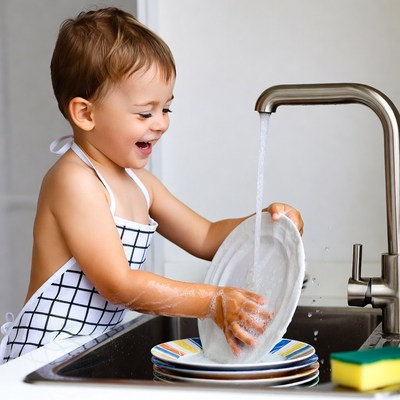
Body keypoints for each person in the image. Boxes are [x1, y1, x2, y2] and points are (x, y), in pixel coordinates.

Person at [0, 7, 303, 365]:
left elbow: (205, 237)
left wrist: (267, 227)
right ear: (85, 114)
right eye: (145, 112)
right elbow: (117, 284)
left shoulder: (141, 184)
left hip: (86, 354)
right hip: (39, 361)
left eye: (167, 110)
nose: (160, 124)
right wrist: (213, 301)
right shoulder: (74, 181)